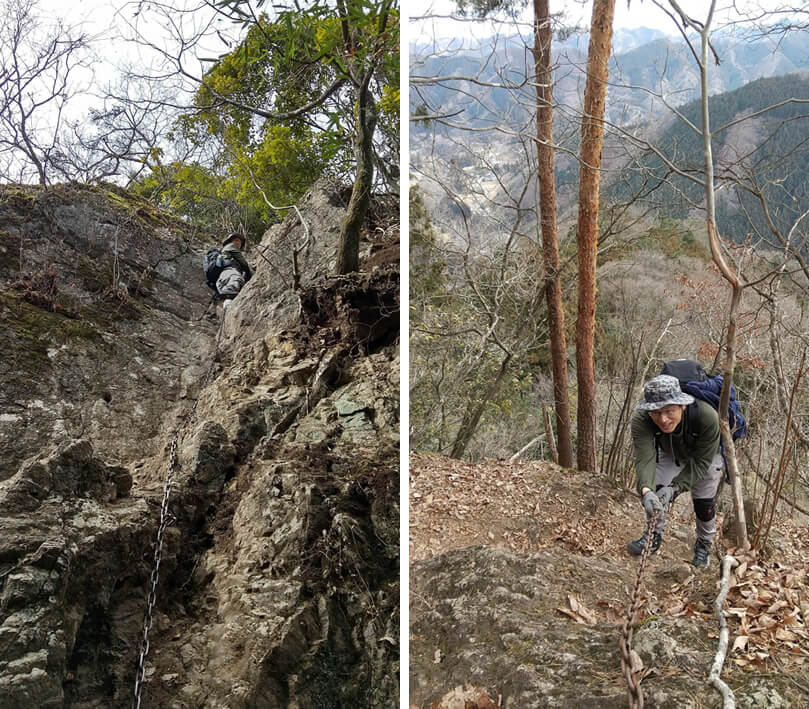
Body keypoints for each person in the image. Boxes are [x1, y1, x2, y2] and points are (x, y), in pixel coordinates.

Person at [627, 374, 724, 568]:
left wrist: (675, 488)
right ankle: (653, 534)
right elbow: (645, 458)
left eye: (669, 411)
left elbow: (700, 463)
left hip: (706, 455)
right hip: (669, 451)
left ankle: (704, 542)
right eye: (655, 412)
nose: (663, 419)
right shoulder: (642, 420)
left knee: (703, 503)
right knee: (656, 491)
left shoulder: (707, 417)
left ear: (682, 405)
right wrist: (646, 490)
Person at [216, 233, 253, 300]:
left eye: (240, 242)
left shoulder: (224, 250)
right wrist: (250, 273)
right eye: (236, 240)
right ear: (230, 241)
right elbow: (243, 263)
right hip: (231, 271)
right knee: (236, 279)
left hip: (223, 276)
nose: (238, 243)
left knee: (228, 296)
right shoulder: (231, 246)